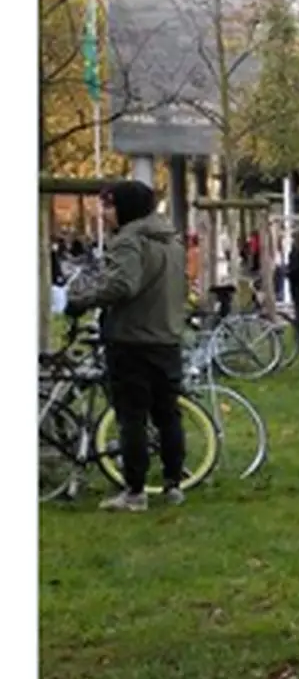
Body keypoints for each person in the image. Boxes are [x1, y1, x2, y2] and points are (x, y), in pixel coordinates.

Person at [62, 180, 189, 510]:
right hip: (167, 338)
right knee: (168, 415)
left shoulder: (129, 240)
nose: (104, 214)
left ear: (126, 208)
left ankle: (135, 492)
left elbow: (122, 284)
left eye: (109, 206)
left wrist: (82, 300)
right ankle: (174, 484)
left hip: (132, 339)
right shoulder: (171, 240)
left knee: (131, 417)